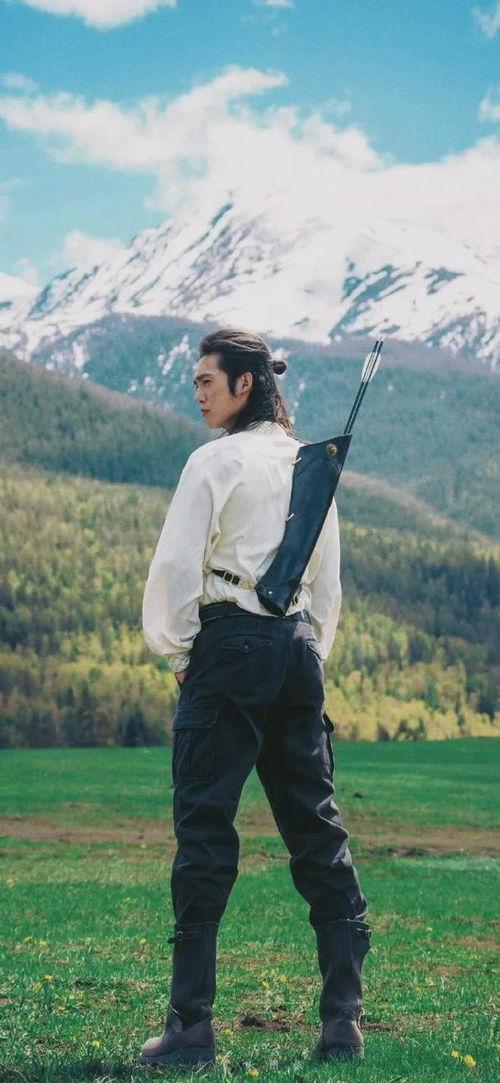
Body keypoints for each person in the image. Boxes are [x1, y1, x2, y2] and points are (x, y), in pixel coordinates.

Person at [140, 327, 370, 1069]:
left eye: (207, 381)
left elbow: (177, 565)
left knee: (205, 833)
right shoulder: (311, 467)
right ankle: (342, 1025)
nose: (199, 393)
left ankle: (190, 1031)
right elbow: (327, 584)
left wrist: (182, 652)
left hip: (228, 648)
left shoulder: (214, 461)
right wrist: (306, 655)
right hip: (297, 651)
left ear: (246, 384)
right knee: (318, 833)